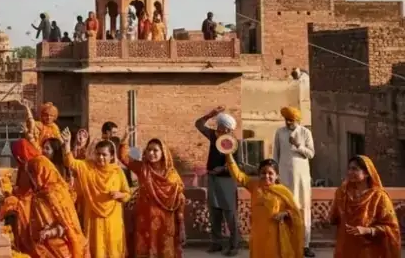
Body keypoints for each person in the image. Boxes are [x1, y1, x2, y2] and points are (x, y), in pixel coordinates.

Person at [61, 129, 129, 258]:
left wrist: (120, 195)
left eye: (104, 154)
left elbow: (127, 193)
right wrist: (68, 144)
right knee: (95, 251)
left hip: (113, 220)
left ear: (112, 156)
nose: (100, 157)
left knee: (113, 250)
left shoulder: (117, 172)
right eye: (98, 154)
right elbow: (70, 163)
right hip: (93, 219)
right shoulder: (88, 167)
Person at [117, 130, 185, 258]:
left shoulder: (172, 175)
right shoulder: (143, 169)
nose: (151, 153)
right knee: (144, 248)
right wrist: (124, 141)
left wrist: (181, 223)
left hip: (166, 220)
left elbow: (180, 199)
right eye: (149, 150)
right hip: (145, 217)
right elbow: (124, 158)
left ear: (163, 152)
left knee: (165, 250)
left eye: (155, 150)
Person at [225, 155, 304, 258]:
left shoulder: (283, 191)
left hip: (276, 236)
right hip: (258, 235)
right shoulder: (255, 186)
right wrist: (229, 155)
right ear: (259, 174)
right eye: (263, 173)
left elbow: (296, 213)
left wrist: (285, 213)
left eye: (270, 173)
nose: (266, 176)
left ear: (277, 176)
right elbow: (238, 176)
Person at [330, 155, 401, 257]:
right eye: (349, 169)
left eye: (355, 169)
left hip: (369, 250)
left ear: (367, 173)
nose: (350, 172)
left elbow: (392, 228)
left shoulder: (379, 196)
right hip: (345, 249)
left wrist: (367, 230)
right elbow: (334, 218)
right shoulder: (342, 193)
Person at [195, 106, 243, 256]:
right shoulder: (214, 137)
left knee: (229, 213)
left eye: (223, 128)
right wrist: (211, 114)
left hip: (227, 181)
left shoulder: (234, 143)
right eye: (220, 126)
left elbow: (238, 165)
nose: (221, 130)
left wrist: (222, 169)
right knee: (214, 211)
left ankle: (234, 245)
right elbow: (198, 124)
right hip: (213, 179)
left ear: (229, 129)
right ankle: (216, 243)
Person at [25, 155, 88, 258]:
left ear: (41, 172)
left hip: (61, 247)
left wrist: (49, 232)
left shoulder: (53, 194)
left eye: (32, 173)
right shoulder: (47, 191)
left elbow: (67, 225)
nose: (31, 178)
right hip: (48, 244)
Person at [273, 107, 316, 257]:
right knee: (285, 207)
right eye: (286, 119)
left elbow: (311, 154)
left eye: (291, 120)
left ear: (297, 120)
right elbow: (275, 154)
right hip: (285, 176)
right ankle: (287, 241)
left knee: (303, 209)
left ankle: (305, 244)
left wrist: (298, 145)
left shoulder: (305, 132)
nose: (288, 122)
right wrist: (275, 173)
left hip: (301, 177)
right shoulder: (280, 132)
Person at [42, 137, 76, 202]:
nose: (43, 150)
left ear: (55, 151)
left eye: (47, 148)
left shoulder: (63, 168)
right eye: (43, 148)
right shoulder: (42, 165)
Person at [102, 122, 133, 187]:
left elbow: (120, 143)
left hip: (113, 168)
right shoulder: (101, 143)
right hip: (105, 170)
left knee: (125, 169)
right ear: (107, 132)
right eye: (114, 132)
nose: (115, 134)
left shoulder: (111, 141)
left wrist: (126, 135)